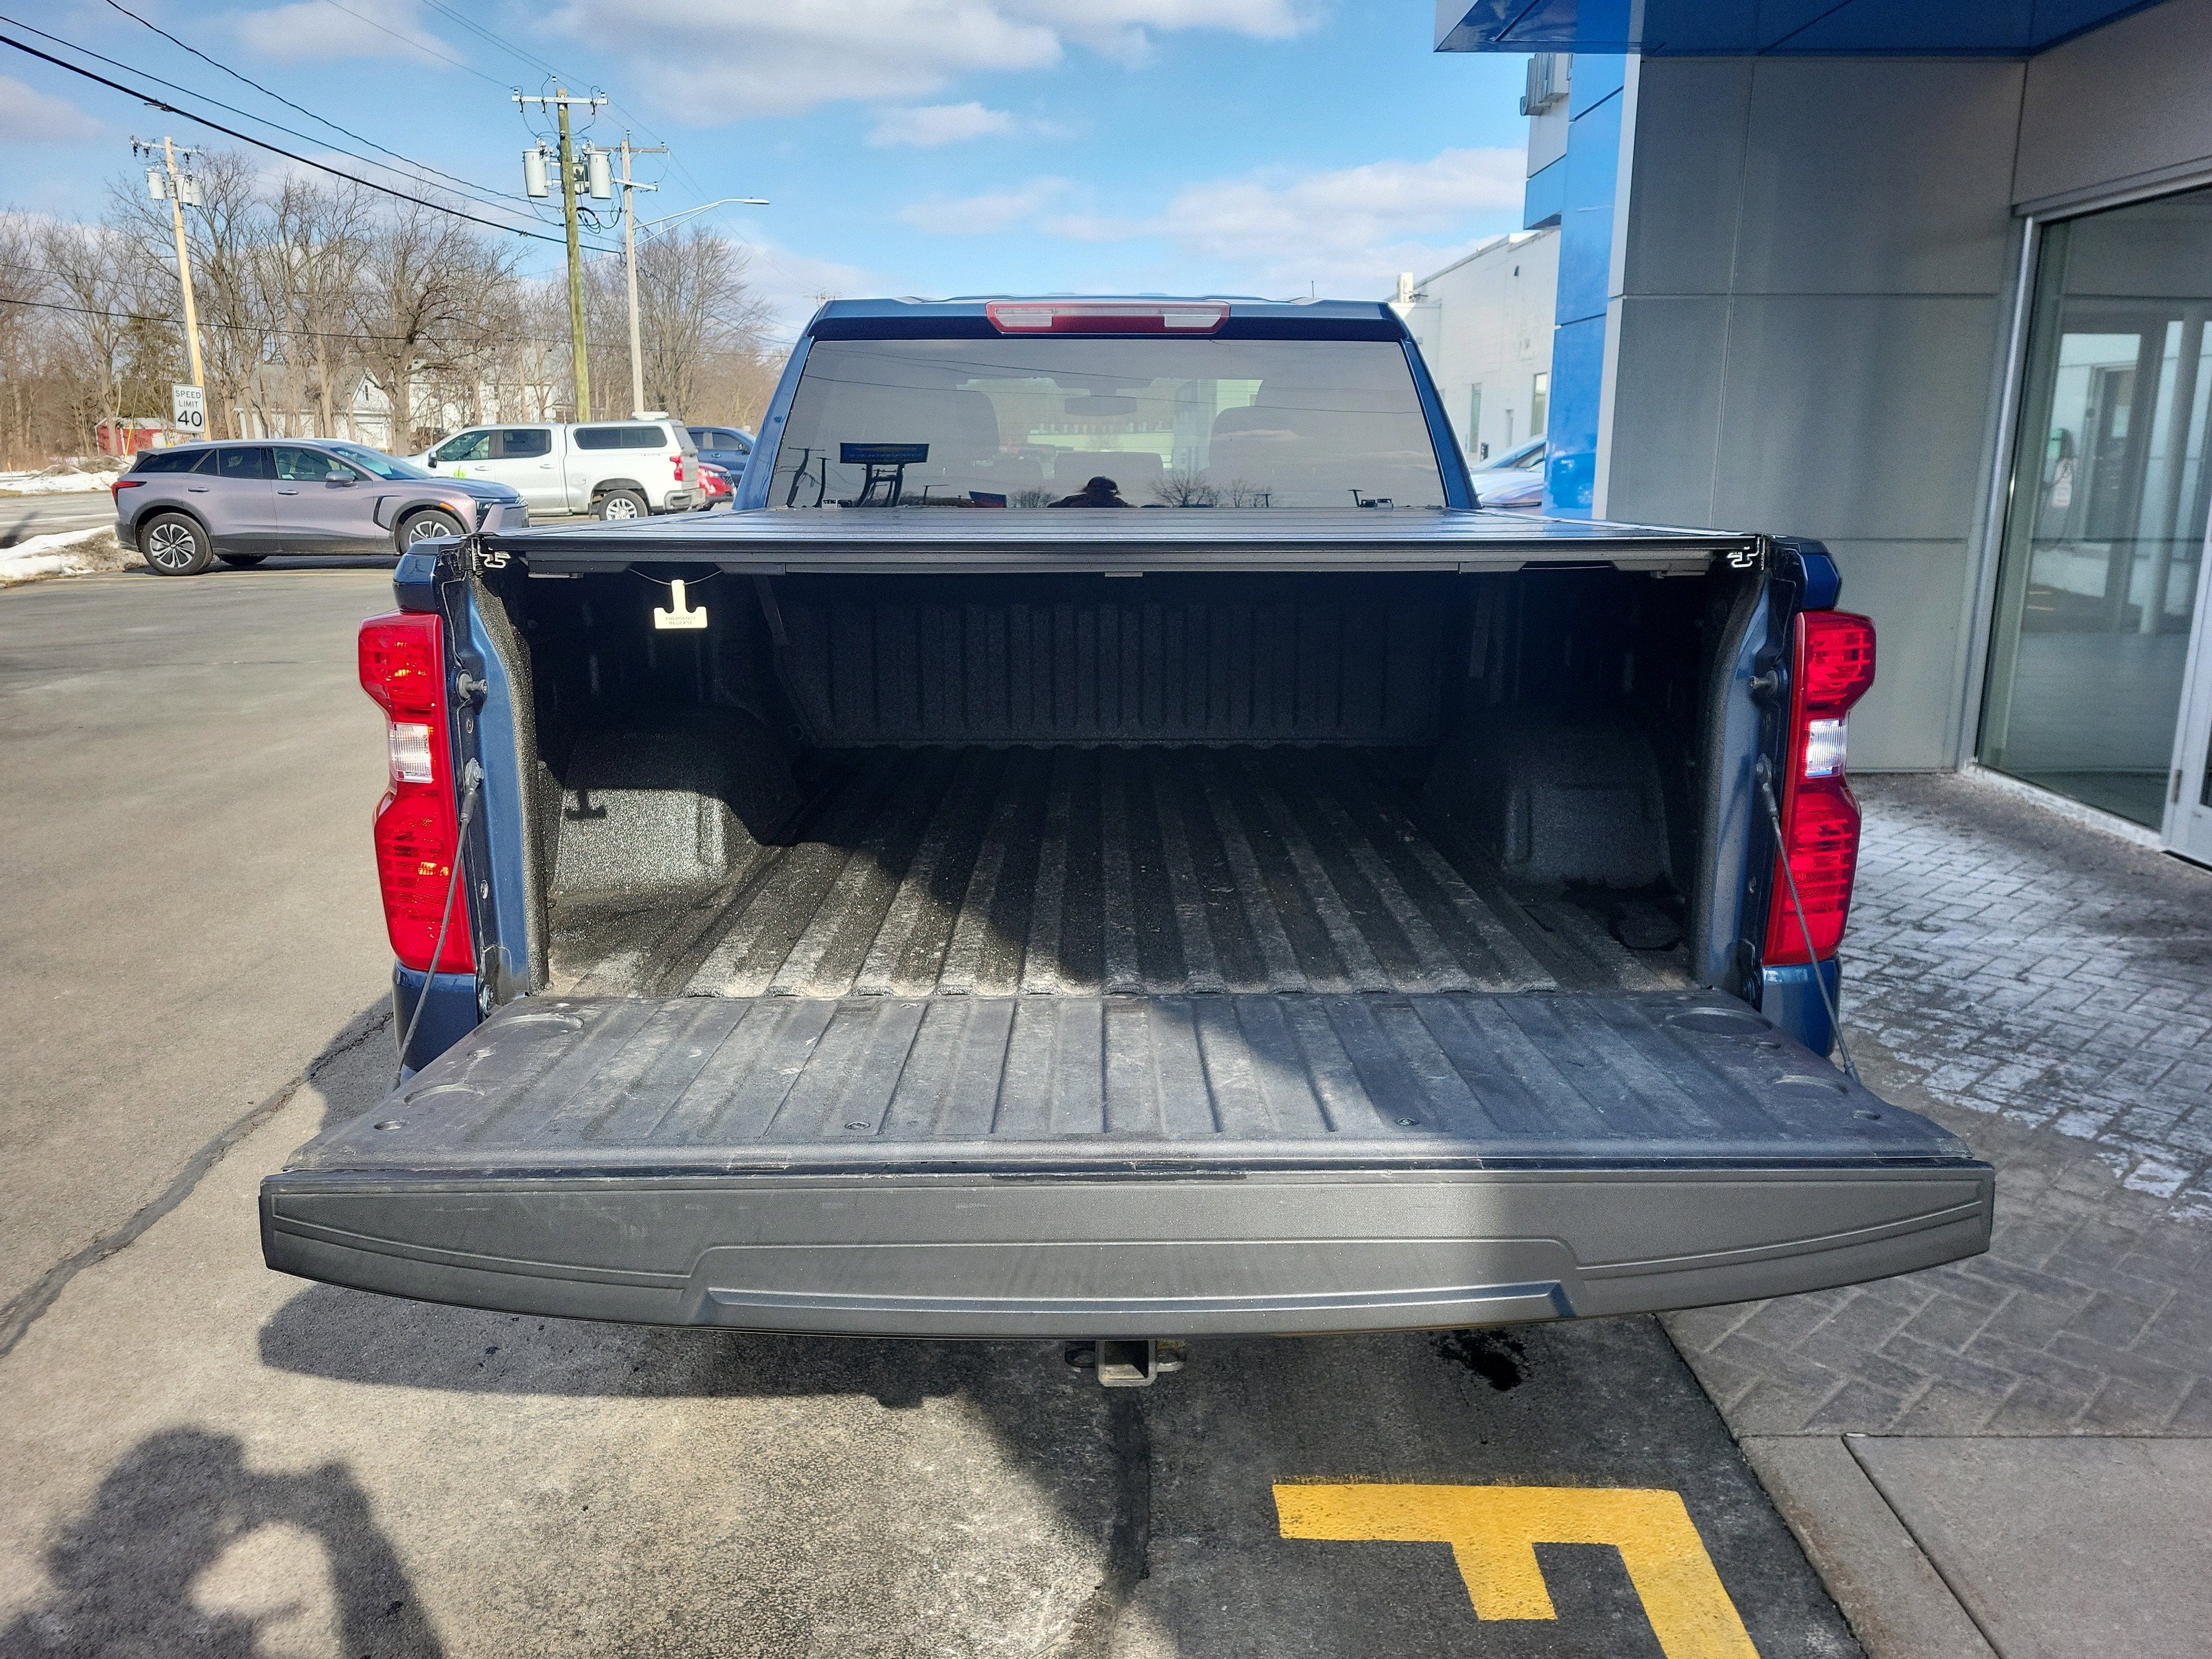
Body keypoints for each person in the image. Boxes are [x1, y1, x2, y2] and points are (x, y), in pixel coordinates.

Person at [1048, 475, 1131, 508]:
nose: (1100, 495)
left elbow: (1134, 511)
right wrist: (1071, 509)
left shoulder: (1118, 504)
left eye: (1106, 494)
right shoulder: (1073, 501)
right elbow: (1049, 510)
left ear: (1114, 494)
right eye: (1095, 492)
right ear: (1088, 491)